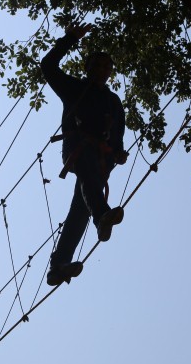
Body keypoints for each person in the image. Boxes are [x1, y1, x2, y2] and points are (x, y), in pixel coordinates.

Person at [40, 23, 128, 286]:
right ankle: (102, 215)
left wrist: (118, 153)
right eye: (96, 65)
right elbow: (48, 66)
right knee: (89, 186)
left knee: (80, 210)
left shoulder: (114, 101)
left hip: (102, 160)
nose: (102, 70)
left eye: (106, 66)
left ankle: (58, 266)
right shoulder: (74, 88)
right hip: (78, 148)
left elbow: (118, 133)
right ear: (87, 68)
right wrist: (69, 39)